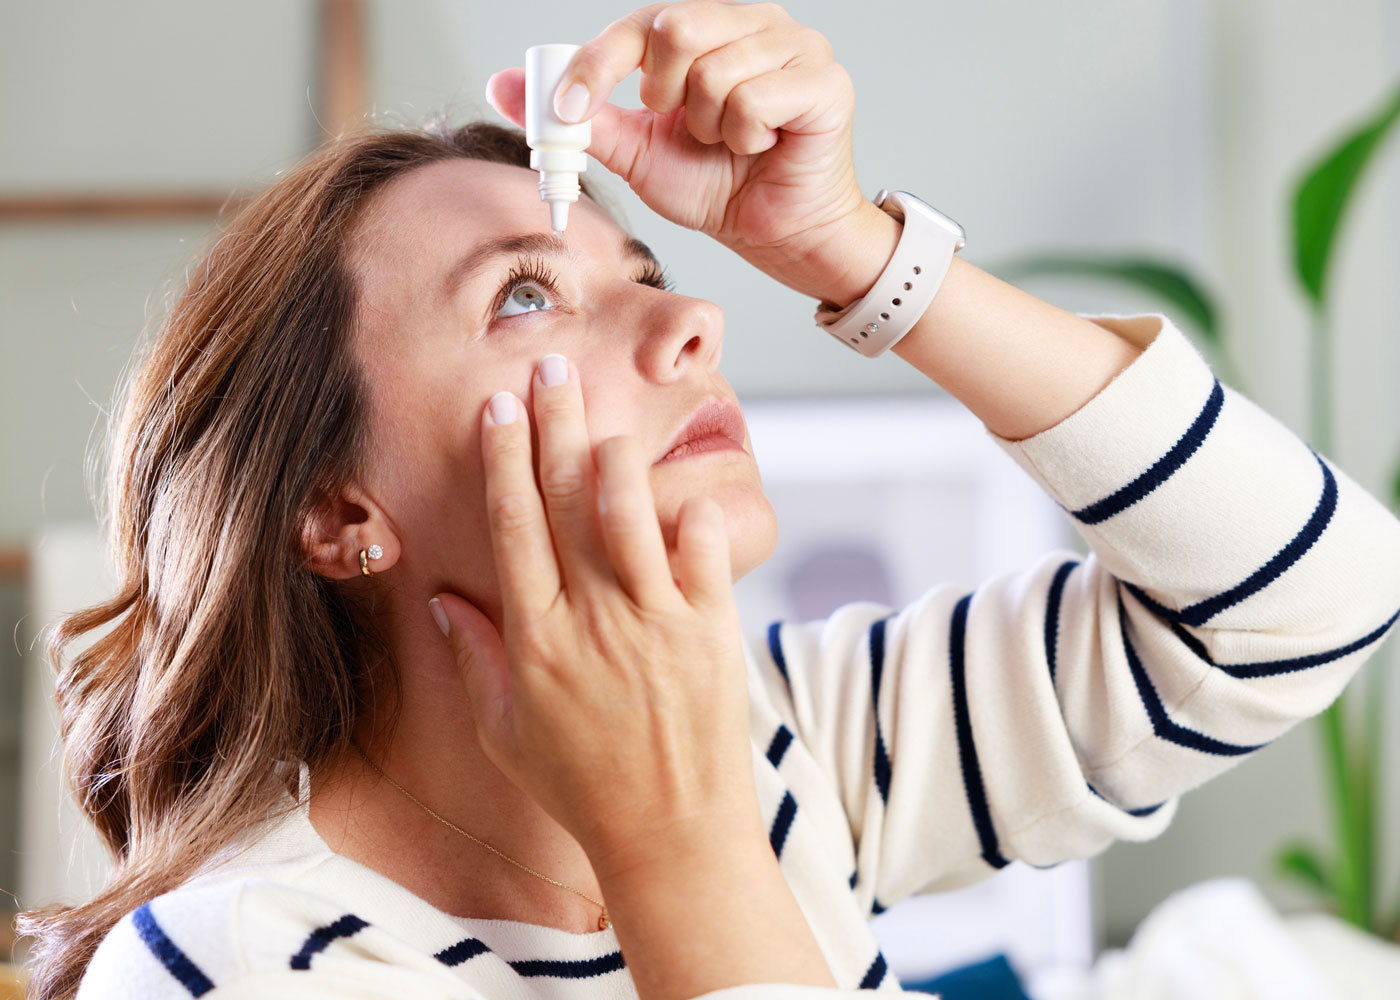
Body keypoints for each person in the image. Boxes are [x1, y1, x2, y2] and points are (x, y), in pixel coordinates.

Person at [19, 2, 1400, 999]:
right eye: (523, 296)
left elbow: (1307, 600)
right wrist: (675, 848)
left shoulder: (782, 743)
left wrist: (852, 250)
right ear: (336, 510)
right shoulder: (242, 969)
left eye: (641, 269)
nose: (692, 319)